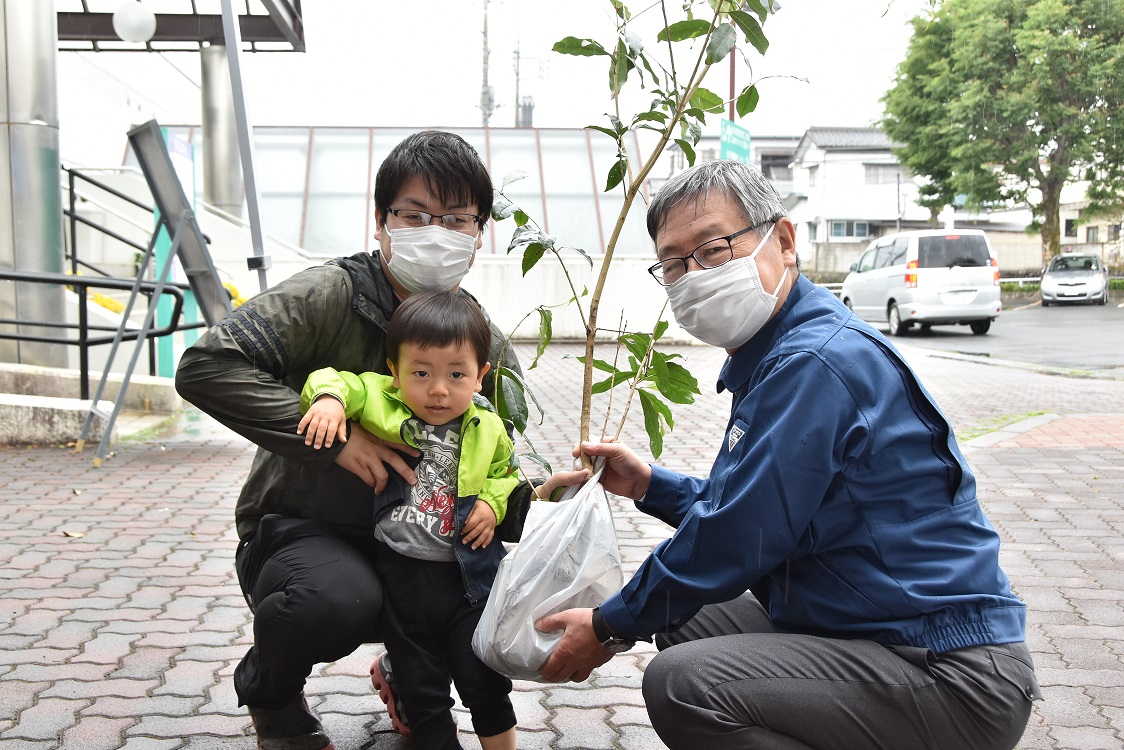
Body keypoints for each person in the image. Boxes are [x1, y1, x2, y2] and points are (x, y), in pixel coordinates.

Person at [536, 160, 1041, 750]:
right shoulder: (782, 353)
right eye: (673, 263)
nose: (693, 275)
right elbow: (758, 508)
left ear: (782, 240)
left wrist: (608, 625)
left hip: (949, 671)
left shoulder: (812, 363)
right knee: (685, 617)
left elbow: (738, 535)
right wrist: (649, 485)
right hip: (872, 629)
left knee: (684, 684)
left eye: (714, 248)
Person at [175, 130, 539, 750]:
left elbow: (517, 449)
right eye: (415, 214)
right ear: (381, 221)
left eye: (455, 220)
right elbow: (208, 366)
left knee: (474, 599)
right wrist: (335, 439)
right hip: (308, 529)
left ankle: (408, 666)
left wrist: (529, 492)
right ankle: (272, 694)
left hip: (423, 546)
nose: (436, 231)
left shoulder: (481, 340)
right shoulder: (329, 296)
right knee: (332, 600)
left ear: (479, 235)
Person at [297, 290, 519, 750]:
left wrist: (492, 504)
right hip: (403, 580)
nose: (438, 389)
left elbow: (506, 474)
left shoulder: (489, 426)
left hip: (471, 580)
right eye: (421, 373)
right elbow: (338, 380)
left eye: (457, 374)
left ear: (481, 377)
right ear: (394, 373)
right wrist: (329, 400)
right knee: (422, 690)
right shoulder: (382, 400)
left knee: (483, 678)